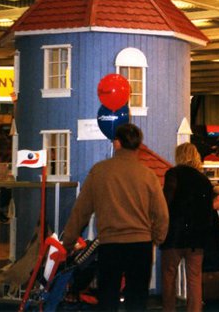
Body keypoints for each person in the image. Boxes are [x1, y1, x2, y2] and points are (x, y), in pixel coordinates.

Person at [62, 123, 169, 311]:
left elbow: (81, 211)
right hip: (141, 245)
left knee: (108, 299)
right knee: (137, 301)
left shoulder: (99, 171)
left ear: (117, 143)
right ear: (137, 145)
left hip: (110, 245)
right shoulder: (148, 175)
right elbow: (161, 214)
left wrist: (68, 242)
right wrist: (156, 238)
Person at [161, 142, 214, 312]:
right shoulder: (204, 181)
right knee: (194, 279)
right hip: (196, 238)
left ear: (179, 156)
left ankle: (169, 309)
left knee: (169, 276)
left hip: (174, 235)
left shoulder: (173, 174)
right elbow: (208, 211)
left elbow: (165, 203)